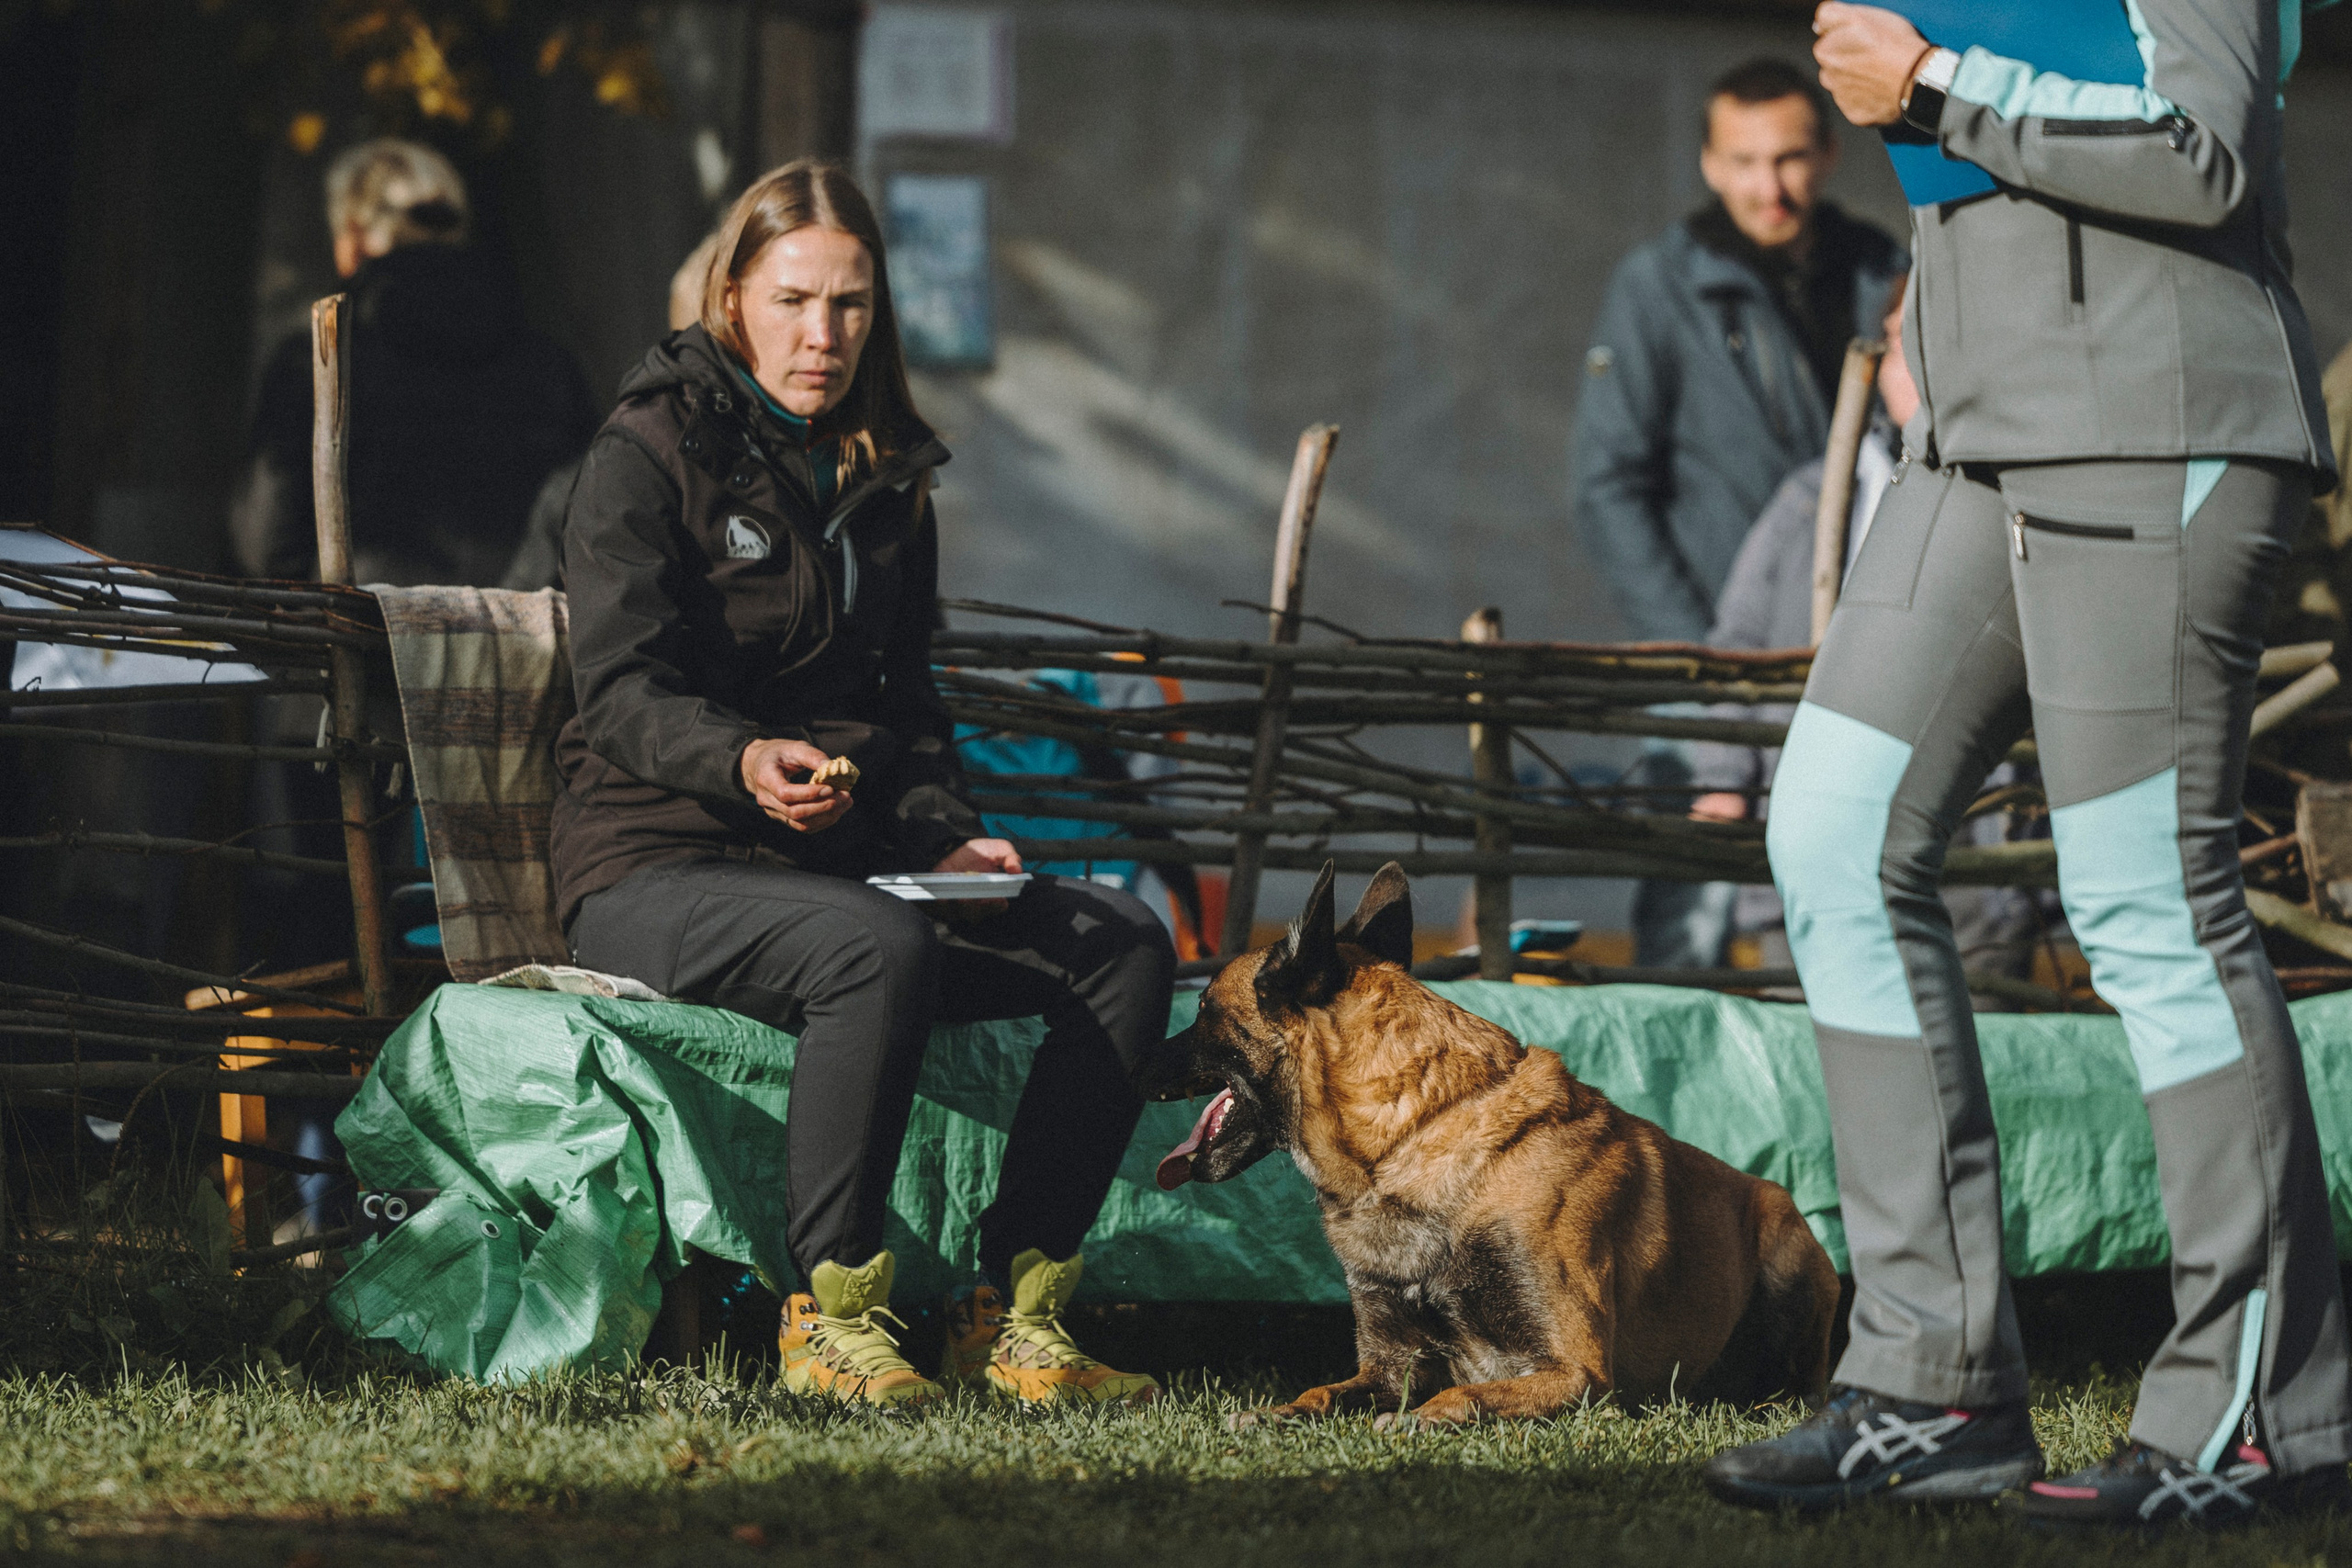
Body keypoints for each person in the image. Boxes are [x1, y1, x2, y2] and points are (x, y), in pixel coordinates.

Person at [1703, 1, 2352, 1528]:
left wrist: (1934, 83)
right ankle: (1927, 1384)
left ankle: (2261, 1410)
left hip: (2153, 409)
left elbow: (2207, 156)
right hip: (1975, 433)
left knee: (2146, 894)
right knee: (1836, 834)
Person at [552, 160, 1174, 1408]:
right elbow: (616, 689)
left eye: (849, 305)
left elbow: (910, 714)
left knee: (1122, 942)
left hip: (829, 869)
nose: (821, 334)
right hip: (649, 863)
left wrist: (949, 837)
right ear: (733, 298)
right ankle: (831, 1313)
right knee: (876, 947)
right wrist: (738, 759)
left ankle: (1016, 1314)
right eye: (792, 300)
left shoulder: (887, 476)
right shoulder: (645, 452)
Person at [1569, 58, 1905, 967]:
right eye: (1745, 161)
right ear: (1711, 165)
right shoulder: (1658, 286)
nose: (1770, 185)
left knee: (1846, 914)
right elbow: (1607, 487)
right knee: (1694, 922)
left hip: (1863, 656)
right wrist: (1697, 649)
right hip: (1712, 666)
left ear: (1830, 153)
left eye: (1790, 157)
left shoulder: (1887, 271)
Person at [1688, 277, 2040, 1001]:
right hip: (1819, 848)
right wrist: (1723, 781)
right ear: (1877, 362)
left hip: (1971, 856)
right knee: (1807, 1043)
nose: (1921, 360)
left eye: (1942, 339)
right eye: (1904, 342)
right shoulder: (1813, 498)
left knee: (1974, 1029)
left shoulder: (2031, 503)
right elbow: (1738, 646)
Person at [232, 139, 599, 586]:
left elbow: (267, 546)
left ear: (352, 239)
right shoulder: (551, 365)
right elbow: (586, 515)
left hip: (365, 639)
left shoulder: (318, 362)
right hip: (521, 639)